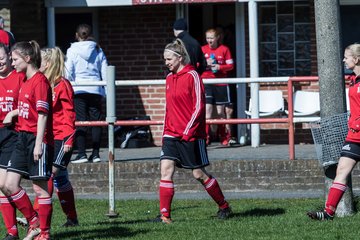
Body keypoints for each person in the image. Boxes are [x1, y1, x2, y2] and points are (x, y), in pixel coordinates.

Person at [153, 39, 231, 224]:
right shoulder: (169, 78)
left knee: (198, 174)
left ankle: (224, 206)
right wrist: (165, 131)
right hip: (171, 134)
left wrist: (188, 131)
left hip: (191, 134)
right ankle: (165, 216)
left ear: (179, 58)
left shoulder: (193, 76)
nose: (166, 63)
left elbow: (199, 107)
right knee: (166, 170)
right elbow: (169, 108)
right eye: (165, 59)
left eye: (169, 59)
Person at [2, 40, 53, 239]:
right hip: (21, 138)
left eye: (15, 59)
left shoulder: (40, 81)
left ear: (27, 58)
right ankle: (34, 221)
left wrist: (39, 143)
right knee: (8, 184)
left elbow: (42, 114)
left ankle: (45, 233)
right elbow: (26, 107)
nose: (12, 63)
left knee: (40, 189)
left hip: (35, 139)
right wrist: (13, 114)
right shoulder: (24, 80)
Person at [307, 43, 360, 221]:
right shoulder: (354, 79)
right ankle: (328, 213)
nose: (344, 60)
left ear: (357, 59)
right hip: (354, 136)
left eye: (347, 56)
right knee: (341, 171)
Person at [38, 47, 79, 227]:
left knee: (48, 176)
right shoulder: (43, 84)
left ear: (48, 63)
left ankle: (37, 218)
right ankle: (72, 218)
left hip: (63, 138)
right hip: (50, 138)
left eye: (39, 61)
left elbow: (70, 114)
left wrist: (69, 139)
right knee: (61, 179)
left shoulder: (63, 84)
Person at [65, 23, 108, 163]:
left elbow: (68, 71)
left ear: (76, 35)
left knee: (80, 122)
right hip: (96, 88)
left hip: (78, 89)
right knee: (96, 122)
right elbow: (105, 71)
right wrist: (106, 91)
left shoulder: (72, 50)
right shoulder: (97, 49)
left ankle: (82, 154)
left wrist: (70, 85)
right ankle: (95, 154)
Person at [0, 42, 25, 240]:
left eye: (1, 57)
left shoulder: (19, 77)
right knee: (1, 186)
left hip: (13, 134)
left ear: (8, 56)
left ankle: (33, 220)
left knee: (9, 184)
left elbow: (29, 103)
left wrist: (13, 113)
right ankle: (12, 231)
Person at [201, 28, 235, 146]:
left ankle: (224, 137)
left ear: (217, 38)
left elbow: (231, 66)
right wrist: (206, 63)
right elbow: (197, 65)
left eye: (212, 38)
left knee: (221, 112)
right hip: (206, 82)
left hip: (221, 82)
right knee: (208, 111)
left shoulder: (224, 49)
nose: (209, 40)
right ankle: (205, 138)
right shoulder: (202, 49)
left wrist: (219, 67)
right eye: (207, 38)